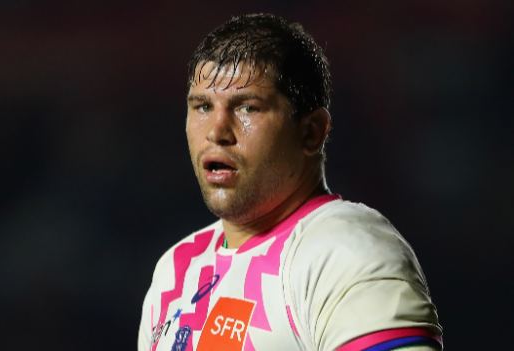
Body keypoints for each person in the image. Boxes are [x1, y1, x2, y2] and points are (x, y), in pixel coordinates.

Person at [138, 14, 443, 351]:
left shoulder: (345, 252)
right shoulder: (175, 270)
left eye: (248, 108)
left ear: (311, 131)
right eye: (203, 106)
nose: (216, 131)